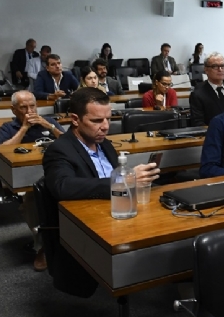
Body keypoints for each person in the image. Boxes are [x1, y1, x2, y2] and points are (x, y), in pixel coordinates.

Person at [43, 87, 160, 295]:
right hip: (92, 225)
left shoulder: (104, 143)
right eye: (97, 121)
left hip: (120, 212)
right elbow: (63, 186)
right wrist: (123, 180)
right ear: (75, 120)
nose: (105, 126)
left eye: (108, 119)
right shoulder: (59, 149)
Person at [0, 90, 65, 271]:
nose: (29, 111)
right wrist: (24, 128)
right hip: (28, 179)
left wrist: (49, 127)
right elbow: (1, 151)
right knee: (32, 202)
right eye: (23, 107)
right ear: (13, 110)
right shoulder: (8, 128)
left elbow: (70, 142)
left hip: (57, 172)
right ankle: (43, 246)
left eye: (32, 106)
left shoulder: (49, 122)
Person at [189, 52, 224, 126]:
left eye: (222, 66)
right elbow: (198, 123)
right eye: (215, 66)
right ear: (206, 70)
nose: (220, 69)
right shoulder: (198, 95)